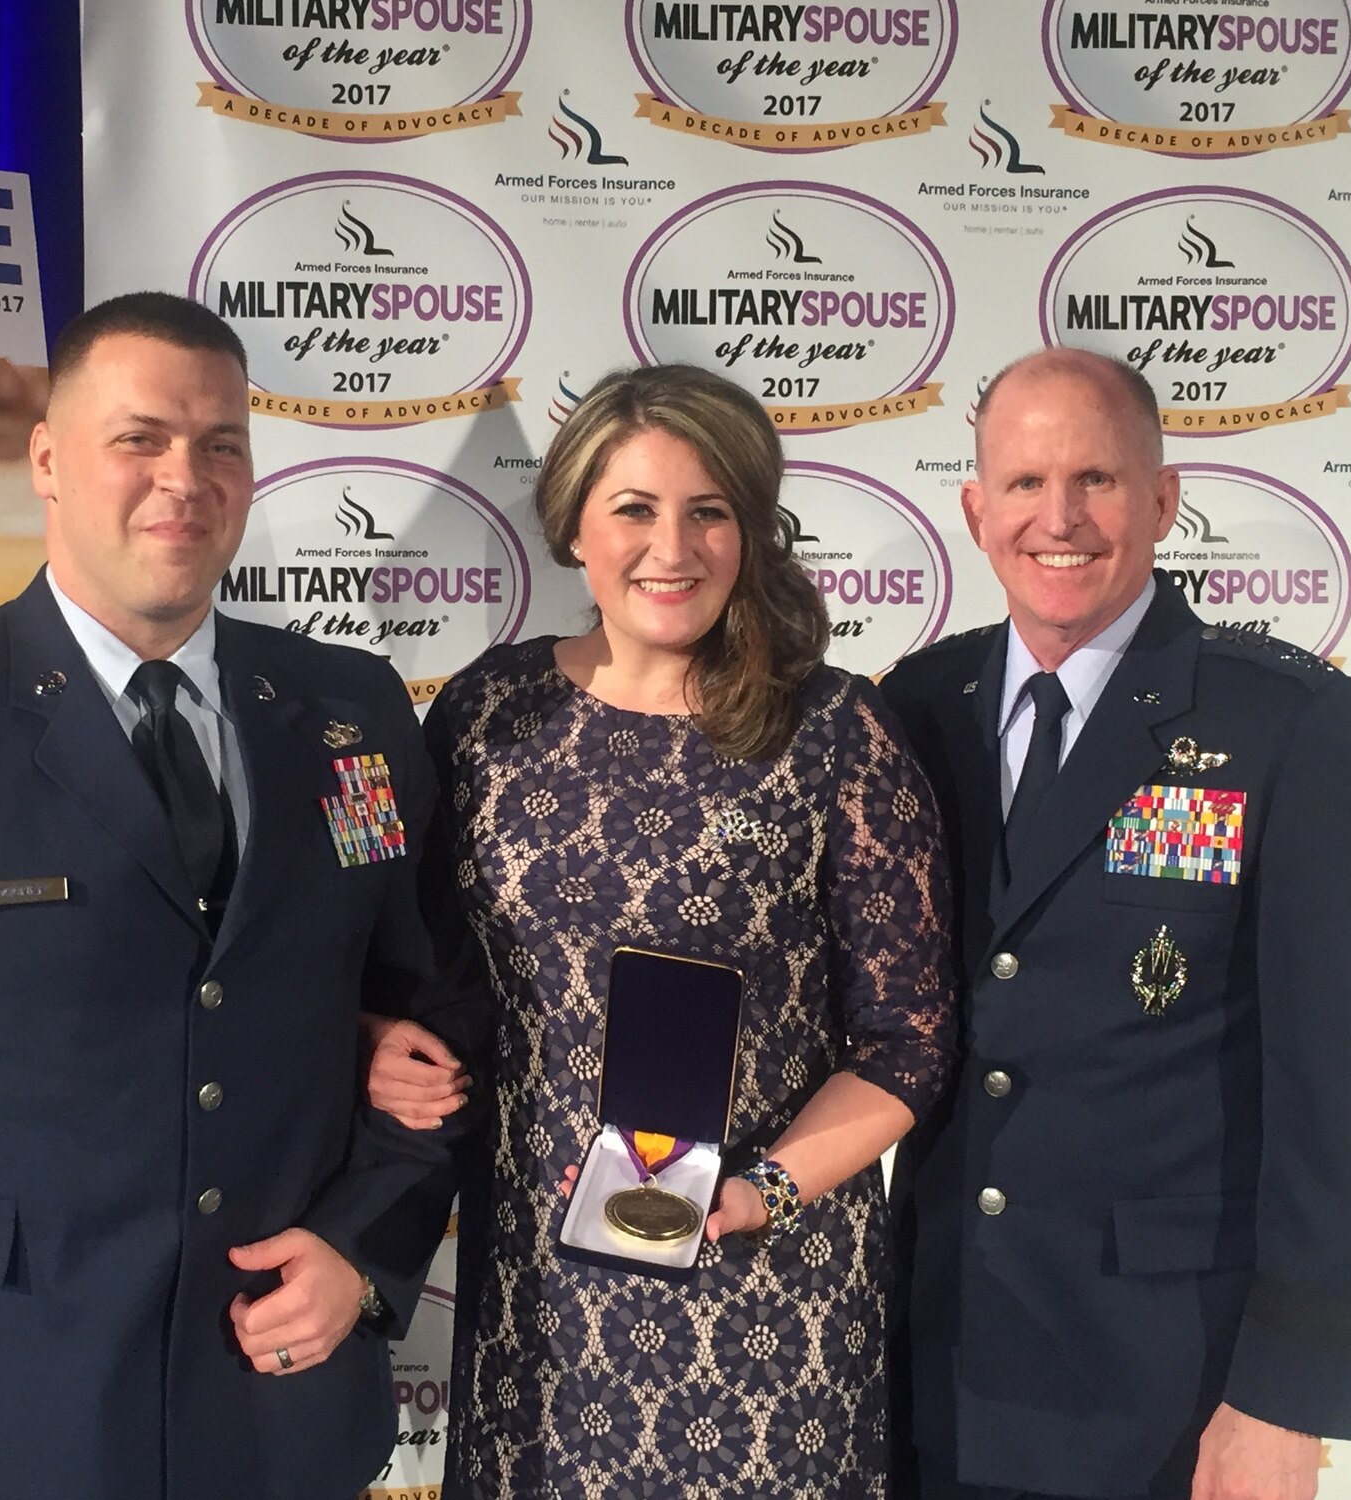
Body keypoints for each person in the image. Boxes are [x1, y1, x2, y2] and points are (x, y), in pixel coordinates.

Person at [0, 291, 477, 1500]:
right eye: (139, 438)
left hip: (281, 1408)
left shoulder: (350, 711)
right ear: (47, 461)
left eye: (219, 442)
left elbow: (435, 1021)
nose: (183, 476)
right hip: (4, 1420)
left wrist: (364, 1249)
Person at [364, 363, 957, 1498]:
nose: (669, 547)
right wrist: (379, 1043)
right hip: (539, 1292)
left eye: (708, 511)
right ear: (573, 525)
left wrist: (762, 1193)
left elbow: (906, 1043)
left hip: (763, 1293)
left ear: (750, 529)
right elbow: (423, 979)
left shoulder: (833, 730)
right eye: (633, 508)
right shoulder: (486, 714)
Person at [877, 348, 1351, 1500]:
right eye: (1022, 485)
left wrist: (1284, 1396)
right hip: (941, 1362)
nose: (1056, 518)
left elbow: (1345, 1099)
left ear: (1162, 500)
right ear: (975, 511)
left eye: (1096, 481)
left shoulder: (1287, 725)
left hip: (1169, 1385)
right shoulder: (915, 709)